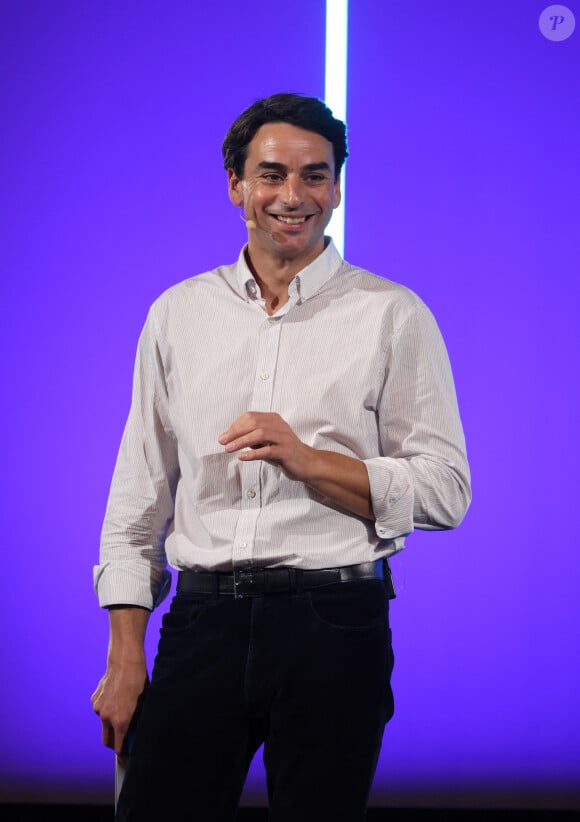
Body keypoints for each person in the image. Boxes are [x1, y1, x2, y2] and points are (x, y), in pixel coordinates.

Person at [91, 92, 471, 821]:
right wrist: (123, 655)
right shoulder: (178, 313)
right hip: (203, 622)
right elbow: (138, 497)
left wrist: (310, 460)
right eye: (271, 175)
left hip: (336, 621)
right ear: (236, 185)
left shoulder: (393, 313)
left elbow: (447, 491)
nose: (293, 196)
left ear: (336, 186)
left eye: (315, 176)